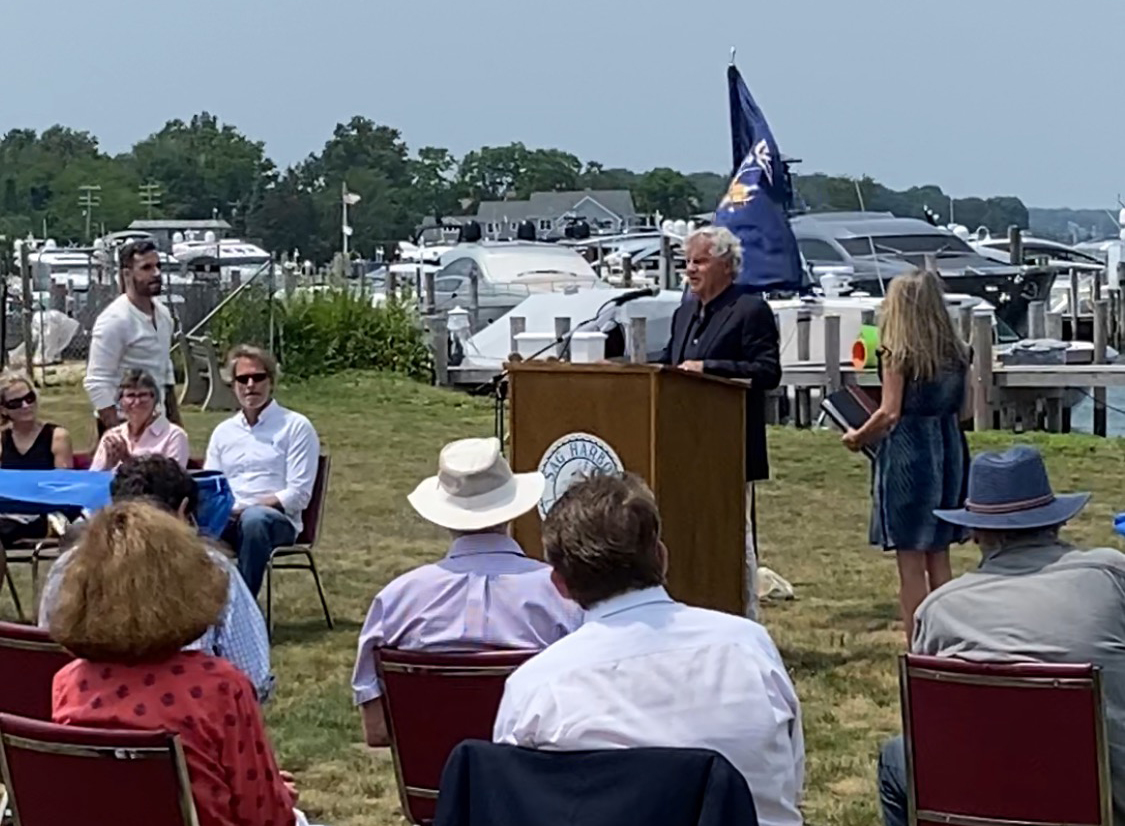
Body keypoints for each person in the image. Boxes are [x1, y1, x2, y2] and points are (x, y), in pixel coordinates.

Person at [493, 473, 804, 826]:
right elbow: (789, 785)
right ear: (661, 556)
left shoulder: (534, 687)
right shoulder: (750, 647)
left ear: (560, 585)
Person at [878, 445, 1125, 826]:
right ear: (1056, 521)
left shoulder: (939, 609)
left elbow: (940, 727)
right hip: (1108, 802)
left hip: (983, 798)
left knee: (897, 757)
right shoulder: (1111, 577)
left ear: (976, 532)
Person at [48, 501, 299, 826]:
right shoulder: (221, 687)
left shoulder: (68, 684)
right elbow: (265, 816)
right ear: (189, 586)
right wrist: (278, 793)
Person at [353, 436, 582, 748]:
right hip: (534, 790)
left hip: (437, 791)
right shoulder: (567, 597)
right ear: (512, 508)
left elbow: (377, 731)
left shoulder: (394, 602)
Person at [39, 454, 274, 702]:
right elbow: (253, 679)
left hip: (82, 724)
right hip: (186, 724)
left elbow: (46, 655)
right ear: (183, 511)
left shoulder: (69, 565)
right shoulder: (212, 568)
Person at [653, 225, 782, 620]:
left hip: (729, 445)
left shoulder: (749, 309)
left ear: (726, 265)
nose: (690, 270)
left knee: (731, 537)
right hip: (680, 446)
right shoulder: (684, 313)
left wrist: (710, 367)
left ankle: (744, 616)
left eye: (699, 262)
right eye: (686, 262)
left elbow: (767, 371)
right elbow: (670, 365)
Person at [841, 270, 971, 643]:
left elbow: (890, 412)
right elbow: (965, 411)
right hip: (949, 447)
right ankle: (948, 636)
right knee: (939, 553)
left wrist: (857, 436)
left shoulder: (897, 352)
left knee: (911, 560)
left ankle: (918, 642)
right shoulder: (959, 353)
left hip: (910, 453)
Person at [205, 345, 320, 597]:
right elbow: (211, 487)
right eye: (242, 379)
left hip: (275, 523)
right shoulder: (223, 432)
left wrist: (247, 508)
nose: (250, 385)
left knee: (254, 519)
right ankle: (192, 617)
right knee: (181, 528)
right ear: (232, 384)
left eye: (258, 378)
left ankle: (242, 612)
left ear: (271, 381)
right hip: (228, 519)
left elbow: (298, 494)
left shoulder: (296, 427)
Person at [84, 239, 180, 433]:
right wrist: (120, 435)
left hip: (157, 421)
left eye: (158, 266)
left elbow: (164, 372)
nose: (156, 274)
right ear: (127, 274)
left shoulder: (163, 315)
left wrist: (176, 424)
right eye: (146, 268)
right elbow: (96, 382)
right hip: (123, 421)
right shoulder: (114, 319)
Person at [0, 374, 73, 587]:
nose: (25, 405)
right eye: (16, 402)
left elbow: (63, 488)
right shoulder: (2, 440)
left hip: (43, 516)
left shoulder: (57, 436)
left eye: (29, 398)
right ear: (4, 410)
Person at [89, 369, 189, 471]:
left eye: (143, 395)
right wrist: (107, 465)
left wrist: (127, 459)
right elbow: (92, 479)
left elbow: (172, 481)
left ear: (155, 399)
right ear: (121, 402)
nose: (137, 402)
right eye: (130, 395)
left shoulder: (174, 436)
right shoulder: (112, 436)